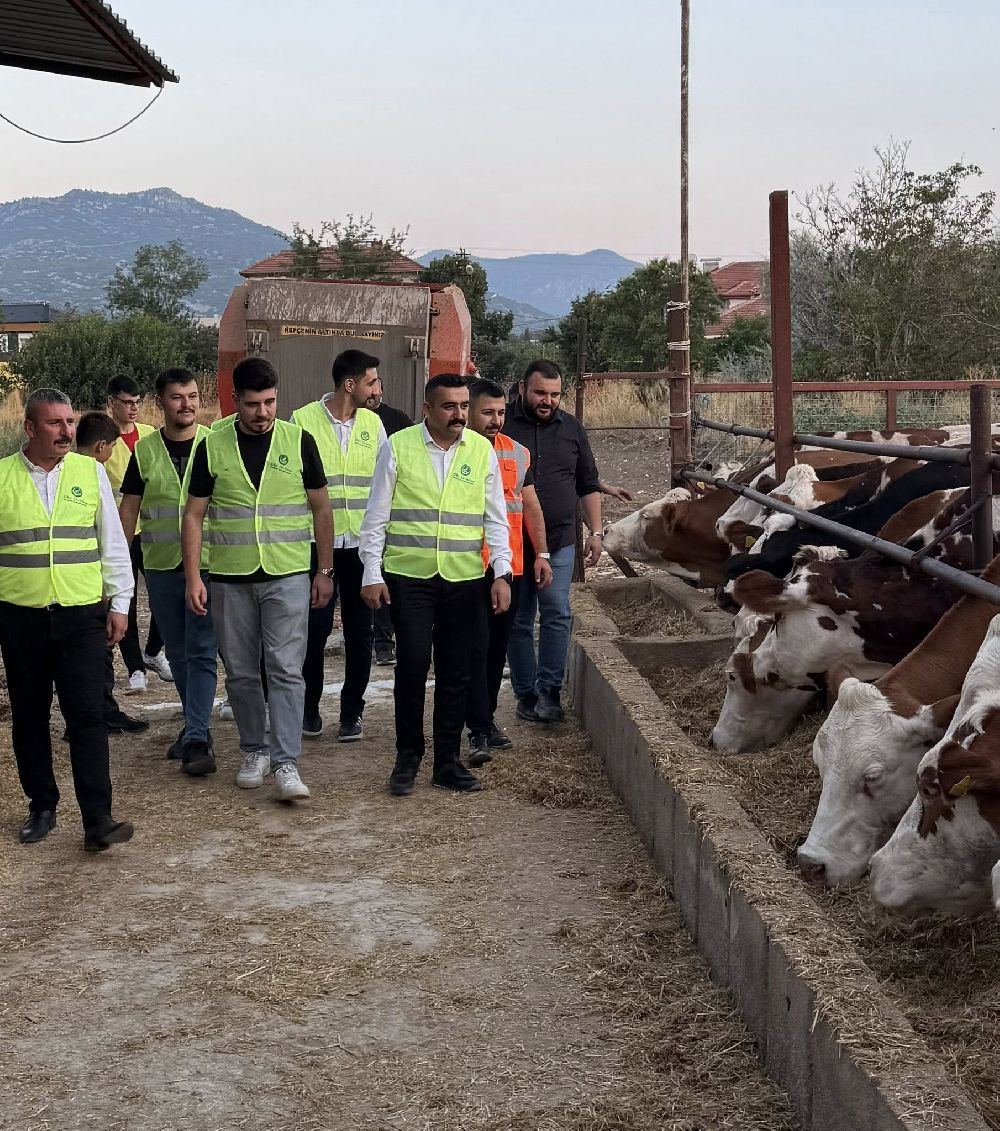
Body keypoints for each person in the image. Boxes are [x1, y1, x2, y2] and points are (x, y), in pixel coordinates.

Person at [182, 358, 334, 801]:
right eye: (253, 404)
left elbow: (321, 508)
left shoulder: (298, 440)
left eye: (270, 402)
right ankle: (254, 750)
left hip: (287, 574)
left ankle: (287, 762)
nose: (263, 412)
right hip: (230, 577)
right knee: (243, 673)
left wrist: (324, 570)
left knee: (287, 669)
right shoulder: (211, 446)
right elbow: (194, 515)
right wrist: (195, 576)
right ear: (235, 401)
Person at [360, 373, 512, 797]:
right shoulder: (399, 447)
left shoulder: (481, 451)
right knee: (410, 665)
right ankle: (408, 755)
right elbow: (376, 517)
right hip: (410, 576)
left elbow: (495, 518)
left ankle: (447, 761)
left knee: (456, 671)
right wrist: (372, 572)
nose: (459, 414)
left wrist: (502, 572)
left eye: (464, 406)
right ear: (427, 409)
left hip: (464, 578)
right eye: (449, 406)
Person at [0, 388, 134, 850]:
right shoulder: (2, 478)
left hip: (80, 616)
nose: (66, 432)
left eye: (70, 422)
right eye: (54, 423)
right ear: (31, 428)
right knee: (30, 717)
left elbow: (112, 542)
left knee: (87, 715)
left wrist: (120, 604)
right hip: (20, 618)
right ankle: (42, 806)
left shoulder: (90, 471)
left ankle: (98, 818)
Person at [118, 369, 218, 776]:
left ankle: (197, 734)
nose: (187, 404)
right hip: (160, 566)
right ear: (161, 402)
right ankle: (196, 724)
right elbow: (129, 511)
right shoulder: (144, 452)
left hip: (210, 565)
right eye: (177, 397)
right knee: (176, 652)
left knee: (202, 650)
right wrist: (118, 567)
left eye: (193, 396)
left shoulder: (216, 444)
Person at [291, 349, 386, 741]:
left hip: (362, 549)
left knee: (360, 633)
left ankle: (352, 713)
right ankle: (309, 708)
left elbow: (382, 488)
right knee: (312, 631)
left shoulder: (373, 425)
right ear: (351, 385)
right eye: (372, 381)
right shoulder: (302, 421)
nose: (378, 388)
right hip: (318, 547)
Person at [502, 359, 603, 724]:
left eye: (555, 394)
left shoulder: (572, 428)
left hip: (560, 540)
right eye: (540, 393)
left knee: (557, 613)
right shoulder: (502, 424)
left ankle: (550, 691)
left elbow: (587, 483)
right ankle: (525, 694)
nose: (548, 401)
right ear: (522, 388)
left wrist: (595, 531)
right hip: (513, 544)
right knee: (519, 619)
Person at [464, 378, 552, 764]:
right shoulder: (454, 453)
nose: (496, 420)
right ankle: (473, 728)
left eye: (501, 412)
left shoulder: (517, 453)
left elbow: (529, 506)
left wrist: (542, 553)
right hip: (464, 568)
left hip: (507, 567)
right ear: (466, 411)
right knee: (471, 650)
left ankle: (484, 723)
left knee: (495, 650)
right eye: (487, 412)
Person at [75, 411, 149, 738]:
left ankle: (90, 711)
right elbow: (108, 535)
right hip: (92, 586)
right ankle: (103, 712)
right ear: (102, 446)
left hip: (73, 585)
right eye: (111, 448)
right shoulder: (92, 472)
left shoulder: (67, 471)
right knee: (99, 654)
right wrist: (111, 588)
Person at [104, 374, 171, 690]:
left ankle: (154, 651)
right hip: (121, 533)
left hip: (155, 530)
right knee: (125, 600)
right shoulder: (103, 441)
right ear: (111, 403)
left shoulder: (150, 436)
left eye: (136, 402)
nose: (132, 408)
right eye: (126, 402)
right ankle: (134, 668)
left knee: (163, 595)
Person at [363, 377, 412, 667]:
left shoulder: (397, 421)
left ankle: (384, 642)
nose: (376, 392)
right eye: (370, 386)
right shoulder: (351, 422)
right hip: (349, 524)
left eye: (378, 385)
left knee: (382, 581)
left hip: (388, 522)